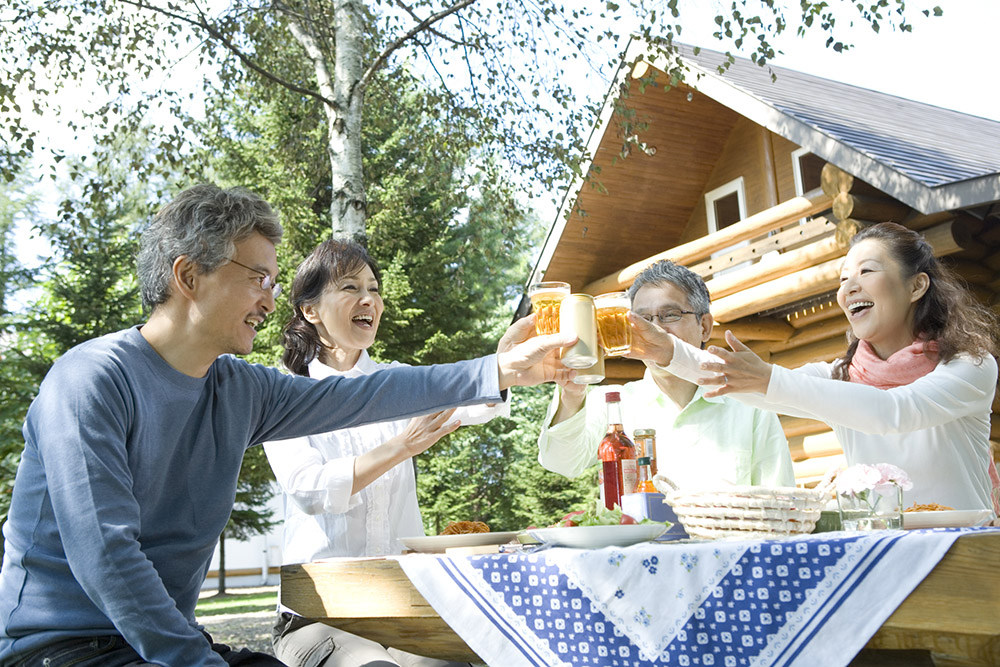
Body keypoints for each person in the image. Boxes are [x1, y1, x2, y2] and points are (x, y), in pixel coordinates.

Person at [0, 184, 575, 667]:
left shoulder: (241, 390)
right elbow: (106, 553)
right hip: (64, 648)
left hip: (158, 645)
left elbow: (370, 395)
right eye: (258, 279)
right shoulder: (90, 381)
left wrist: (495, 369)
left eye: (273, 283)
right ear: (187, 276)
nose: (270, 301)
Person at [642, 222, 1000, 514]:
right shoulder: (838, 377)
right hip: (883, 554)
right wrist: (667, 351)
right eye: (843, 279)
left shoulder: (970, 367)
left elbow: (896, 412)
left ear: (916, 285)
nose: (848, 287)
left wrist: (769, 378)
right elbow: (739, 380)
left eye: (866, 271)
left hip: (966, 550)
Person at [263, 240, 506, 667]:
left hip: (401, 607)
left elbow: (475, 398)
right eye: (351, 287)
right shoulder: (285, 394)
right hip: (319, 615)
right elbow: (310, 490)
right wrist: (400, 447)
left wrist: (509, 364)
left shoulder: (399, 381)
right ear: (310, 310)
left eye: (374, 288)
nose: (368, 299)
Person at [537, 260, 794, 490]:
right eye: (643, 318)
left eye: (670, 315)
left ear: (704, 327)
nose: (654, 330)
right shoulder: (613, 403)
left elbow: (780, 496)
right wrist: (571, 393)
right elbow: (561, 462)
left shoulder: (750, 404)